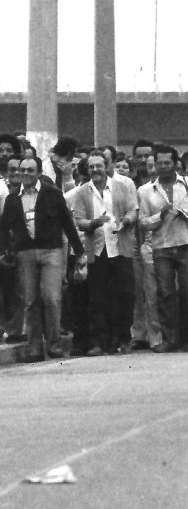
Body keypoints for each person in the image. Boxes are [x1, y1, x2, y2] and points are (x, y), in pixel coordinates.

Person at [0, 154, 85, 361]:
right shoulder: (12, 199)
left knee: (51, 298)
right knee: (30, 300)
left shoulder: (52, 194)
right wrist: (4, 251)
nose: (26, 174)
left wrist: (79, 251)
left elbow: (67, 223)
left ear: (38, 173)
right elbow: (3, 229)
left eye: (30, 170)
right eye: (22, 170)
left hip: (51, 251)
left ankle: (54, 344)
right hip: (25, 253)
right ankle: (35, 346)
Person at [67, 150, 138, 355]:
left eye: (99, 166)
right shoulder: (81, 192)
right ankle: (99, 342)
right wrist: (93, 223)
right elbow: (78, 220)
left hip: (120, 247)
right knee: (98, 298)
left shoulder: (122, 187)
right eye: (91, 167)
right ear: (87, 170)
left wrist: (125, 222)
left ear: (107, 166)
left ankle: (123, 338)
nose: (95, 170)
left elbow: (133, 211)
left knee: (125, 295)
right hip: (97, 250)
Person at [137, 145, 188, 353]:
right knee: (165, 294)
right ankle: (169, 339)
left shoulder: (187, 183)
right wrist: (160, 215)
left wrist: (184, 213)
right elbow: (142, 222)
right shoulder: (146, 190)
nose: (163, 166)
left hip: (185, 243)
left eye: (167, 162)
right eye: (159, 163)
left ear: (175, 164)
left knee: (187, 292)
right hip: (161, 246)